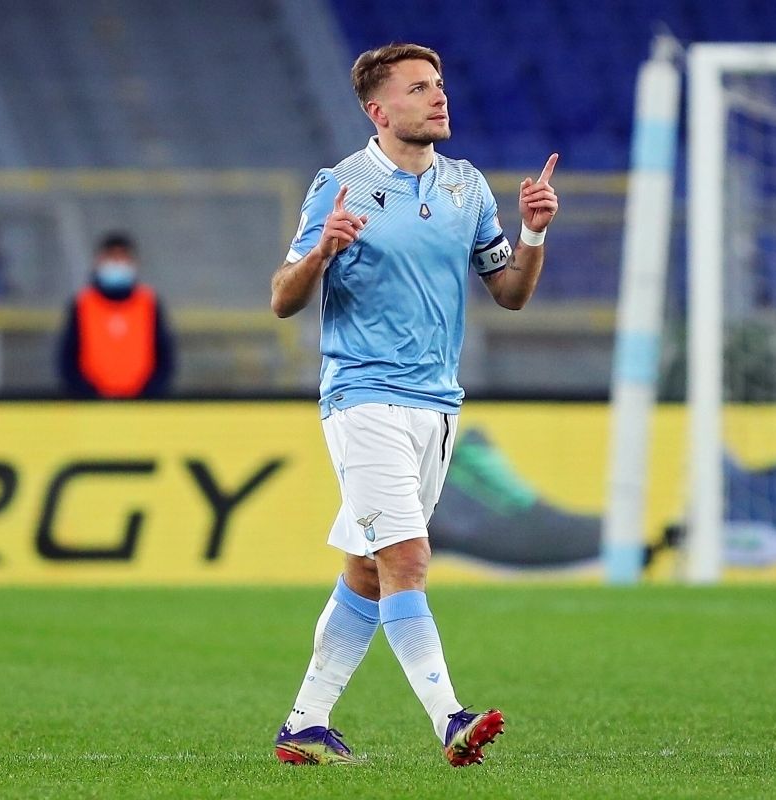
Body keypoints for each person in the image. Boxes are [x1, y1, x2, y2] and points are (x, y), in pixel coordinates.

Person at [268, 43, 558, 768]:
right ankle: (450, 719)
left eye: (439, 85)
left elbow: (510, 293)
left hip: (437, 406)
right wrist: (322, 252)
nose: (438, 97)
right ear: (379, 110)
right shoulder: (341, 186)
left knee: (369, 572)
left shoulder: (466, 187)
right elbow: (281, 298)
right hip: (363, 395)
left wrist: (533, 232)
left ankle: (305, 724)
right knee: (406, 557)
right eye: (419, 88)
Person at [57, 232, 175, 398]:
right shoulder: (83, 304)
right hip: (91, 405)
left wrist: (150, 394)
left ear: (134, 263)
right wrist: (86, 395)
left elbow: (165, 356)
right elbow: (67, 357)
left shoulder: (149, 303)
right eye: (111, 258)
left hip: (142, 405)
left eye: (122, 258)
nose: (117, 264)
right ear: (98, 262)